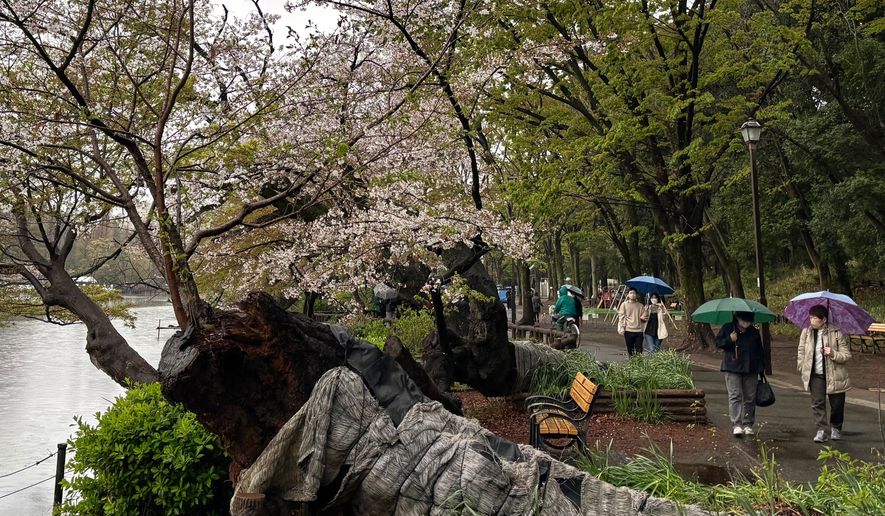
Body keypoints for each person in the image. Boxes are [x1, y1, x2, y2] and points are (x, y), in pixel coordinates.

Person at [797, 304, 851, 443]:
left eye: (814, 317)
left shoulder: (837, 333)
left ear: (824, 319)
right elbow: (801, 351)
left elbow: (846, 355)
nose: (811, 320)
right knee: (817, 403)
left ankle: (836, 427)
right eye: (810, 317)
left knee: (837, 404)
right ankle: (821, 430)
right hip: (815, 374)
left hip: (835, 373)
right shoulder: (806, 332)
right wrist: (802, 366)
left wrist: (832, 353)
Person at [715, 311, 765, 437]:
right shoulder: (728, 328)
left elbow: (760, 350)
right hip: (732, 367)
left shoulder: (753, 331)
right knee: (735, 395)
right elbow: (718, 343)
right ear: (737, 319)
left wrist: (761, 368)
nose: (746, 323)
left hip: (751, 368)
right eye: (744, 321)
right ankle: (736, 424)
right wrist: (730, 340)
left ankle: (748, 424)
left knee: (750, 398)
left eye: (748, 321)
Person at [617, 288, 644, 356]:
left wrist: (646, 311)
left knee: (639, 350)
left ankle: (638, 365)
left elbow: (644, 318)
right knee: (630, 350)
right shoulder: (624, 304)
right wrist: (622, 327)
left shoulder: (641, 306)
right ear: (628, 295)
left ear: (637, 295)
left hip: (639, 331)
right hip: (628, 330)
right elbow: (621, 316)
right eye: (631, 293)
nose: (632, 295)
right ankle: (632, 364)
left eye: (634, 293)